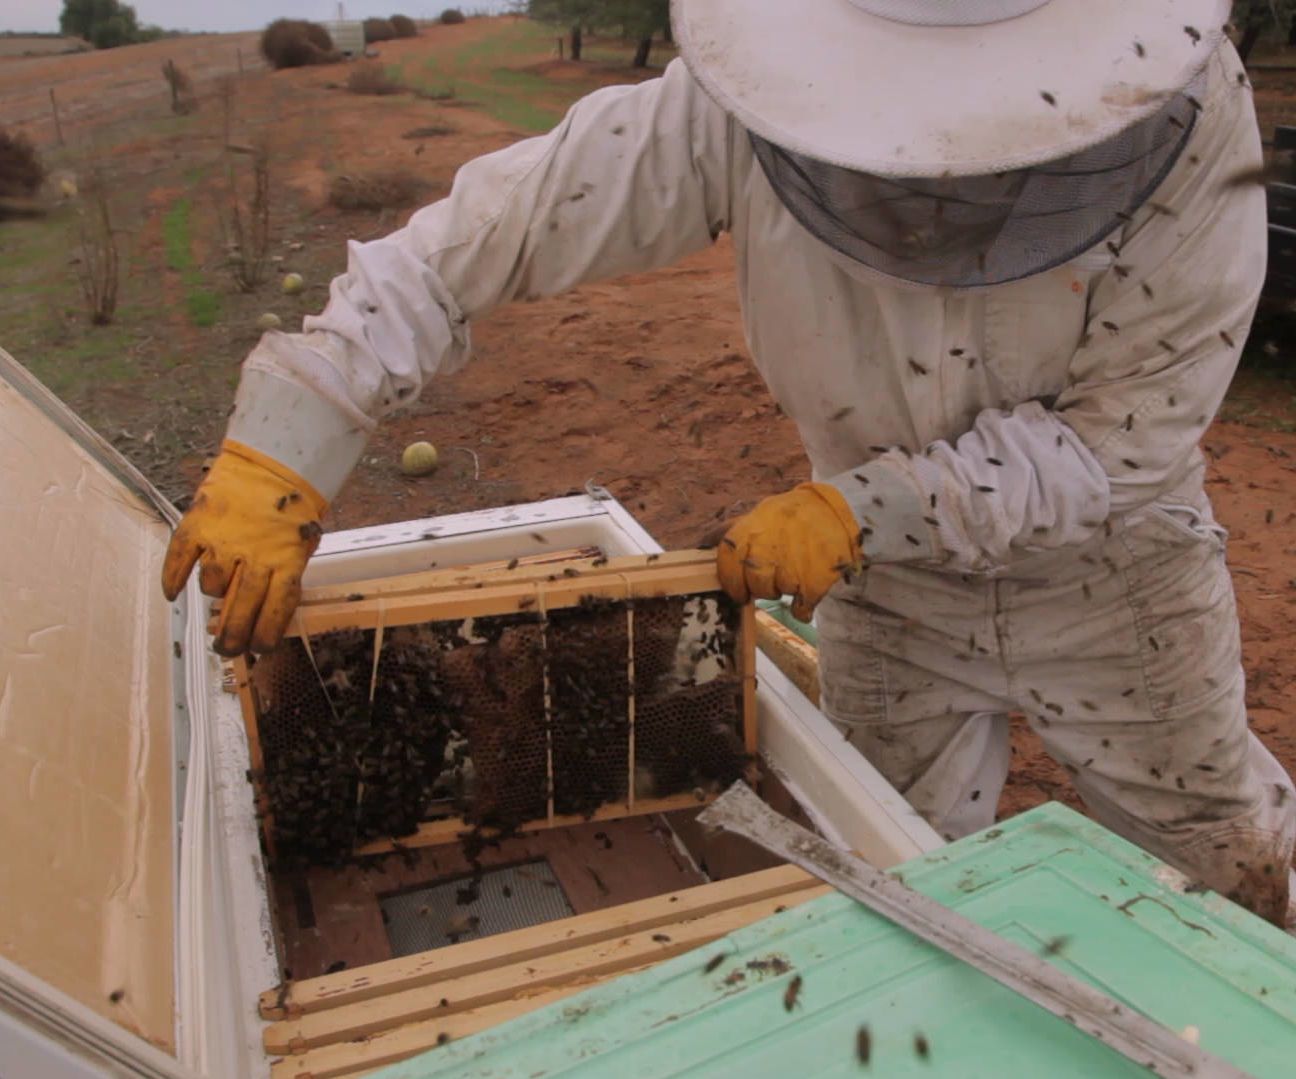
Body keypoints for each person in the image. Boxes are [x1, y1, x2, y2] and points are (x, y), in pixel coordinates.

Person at [161, 0, 1296, 923]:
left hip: (1109, 578)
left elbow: (1122, 442)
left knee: (1229, 867)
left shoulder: (1190, 120)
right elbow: (489, 233)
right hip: (887, 593)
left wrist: (864, 508)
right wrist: (290, 434)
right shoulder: (739, 105)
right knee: (897, 887)